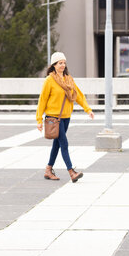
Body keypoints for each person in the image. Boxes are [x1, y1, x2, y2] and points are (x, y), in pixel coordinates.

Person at [36, 52, 94, 183]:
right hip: (53, 117)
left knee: (57, 144)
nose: (62, 65)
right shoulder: (49, 80)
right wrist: (39, 120)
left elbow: (78, 95)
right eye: (59, 63)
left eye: (64, 63)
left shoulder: (68, 79)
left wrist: (88, 109)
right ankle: (71, 172)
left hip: (66, 116)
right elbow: (42, 101)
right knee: (64, 143)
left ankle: (48, 170)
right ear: (54, 65)